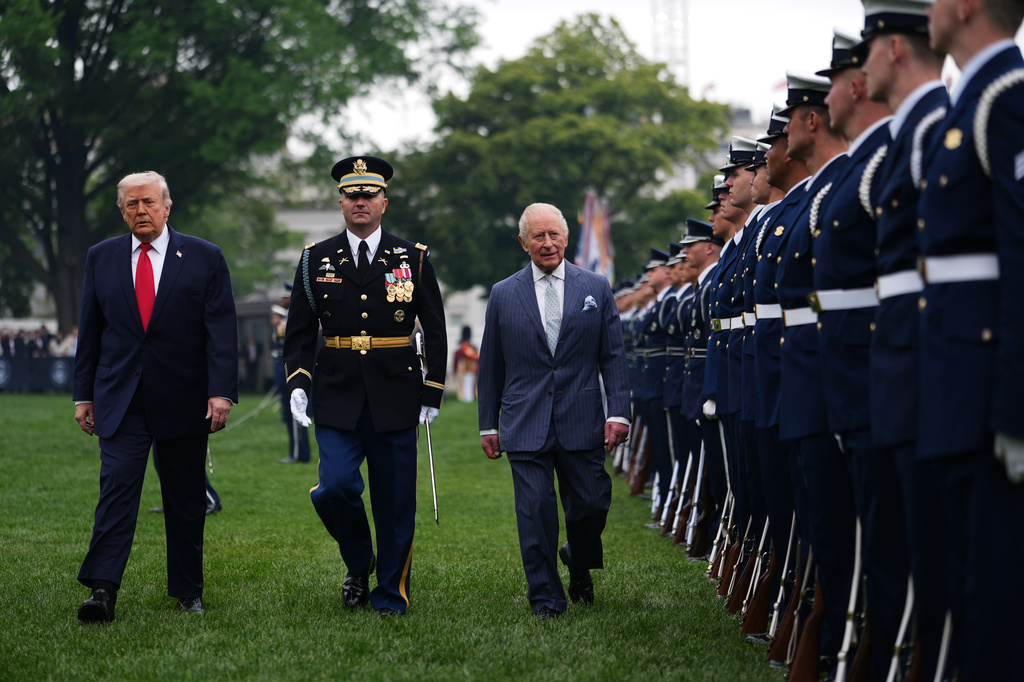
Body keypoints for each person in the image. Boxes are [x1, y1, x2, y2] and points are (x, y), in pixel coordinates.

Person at [283, 155, 447, 617]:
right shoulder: (315, 258)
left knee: (395, 504)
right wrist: (298, 382)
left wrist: (432, 389)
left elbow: (434, 328)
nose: (360, 202)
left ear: (384, 203)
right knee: (333, 487)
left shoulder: (412, 257)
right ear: (340, 203)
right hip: (336, 391)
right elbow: (298, 330)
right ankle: (359, 562)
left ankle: (391, 594)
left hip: (396, 392)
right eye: (351, 195)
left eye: (368, 195)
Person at [73, 170, 238, 623]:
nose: (140, 211)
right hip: (119, 398)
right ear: (122, 211)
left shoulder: (205, 257)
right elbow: (90, 332)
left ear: (167, 206)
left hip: (184, 396)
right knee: (117, 491)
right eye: (131, 204)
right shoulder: (100, 257)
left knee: (185, 496)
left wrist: (221, 391)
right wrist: (82, 395)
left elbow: (221, 331)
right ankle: (102, 591)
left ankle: (188, 590)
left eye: (148, 202)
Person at [477, 202, 630, 620]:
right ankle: (545, 598)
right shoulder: (503, 293)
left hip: (583, 419)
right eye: (538, 236)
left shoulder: (595, 287)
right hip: (525, 422)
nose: (548, 243)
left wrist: (619, 412)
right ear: (524, 242)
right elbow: (490, 364)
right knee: (535, 514)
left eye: (555, 235)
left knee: (591, 506)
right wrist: (487, 423)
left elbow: (613, 356)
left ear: (566, 237)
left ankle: (577, 558)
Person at [271, 301, 310, 463]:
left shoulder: (286, 323)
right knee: (289, 417)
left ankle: (298, 454)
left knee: (295, 418)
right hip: (283, 379)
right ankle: (297, 453)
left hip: (290, 379)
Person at [452, 325, 479, 402]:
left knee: (468, 384)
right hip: (465, 369)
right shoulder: (466, 348)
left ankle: (467, 397)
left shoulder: (463, 348)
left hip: (468, 369)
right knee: (466, 384)